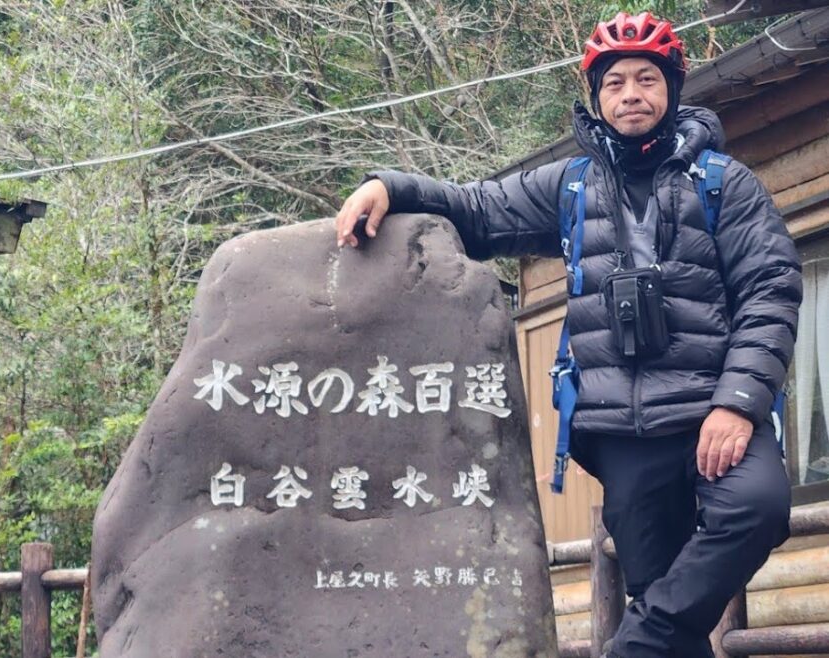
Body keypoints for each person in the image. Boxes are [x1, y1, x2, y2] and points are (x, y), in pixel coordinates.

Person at [334, 11, 801, 658]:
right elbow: (477, 209)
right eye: (615, 82)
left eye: (646, 79)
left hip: (711, 409)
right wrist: (388, 184)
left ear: (671, 89)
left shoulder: (725, 184)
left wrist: (737, 403)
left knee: (758, 506)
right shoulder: (571, 186)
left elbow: (770, 289)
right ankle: (652, 638)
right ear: (597, 96)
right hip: (621, 427)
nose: (631, 93)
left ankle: (635, 645)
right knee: (664, 596)